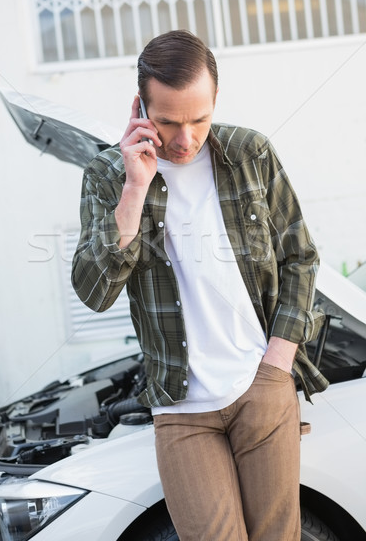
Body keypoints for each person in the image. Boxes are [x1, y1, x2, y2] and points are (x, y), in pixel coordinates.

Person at [72, 30, 327, 541]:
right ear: (140, 106)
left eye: (199, 119)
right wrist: (135, 189)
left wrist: (277, 363)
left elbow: (300, 256)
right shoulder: (107, 175)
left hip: (263, 385)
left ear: (215, 102)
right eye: (167, 121)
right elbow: (94, 294)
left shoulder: (249, 153)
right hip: (181, 406)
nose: (185, 139)